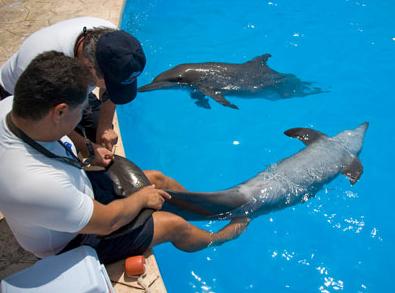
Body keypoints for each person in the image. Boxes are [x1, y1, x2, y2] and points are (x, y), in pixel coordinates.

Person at [0, 51, 249, 264]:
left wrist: (88, 146)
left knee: (157, 179)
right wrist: (141, 198)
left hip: (71, 197)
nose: (83, 116)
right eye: (81, 109)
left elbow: (64, 136)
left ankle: (208, 213)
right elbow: (108, 222)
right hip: (69, 242)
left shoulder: (14, 108)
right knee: (173, 225)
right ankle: (218, 238)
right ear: (60, 111)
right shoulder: (36, 185)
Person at [0, 17, 139, 168]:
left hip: (72, 88)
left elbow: (109, 87)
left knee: (100, 134)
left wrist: (105, 125)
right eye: (111, 84)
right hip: (28, 103)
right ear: (90, 68)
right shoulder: (41, 65)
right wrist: (85, 147)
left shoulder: (113, 42)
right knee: (64, 158)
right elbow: (49, 121)